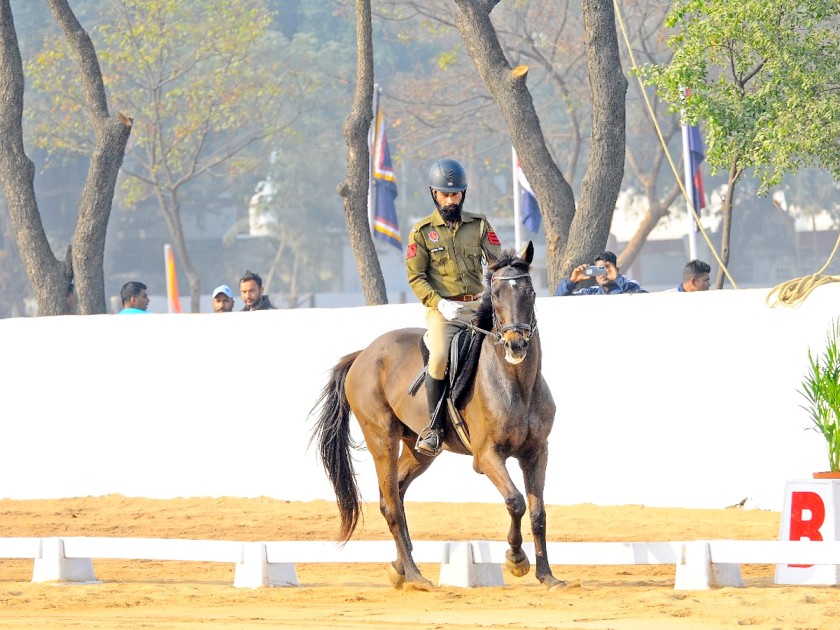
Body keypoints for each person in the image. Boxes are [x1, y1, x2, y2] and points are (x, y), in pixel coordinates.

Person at [406, 158, 502, 456]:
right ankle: (434, 427)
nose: (451, 199)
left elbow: (497, 263)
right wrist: (439, 304)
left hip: (477, 307)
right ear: (434, 194)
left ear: (464, 194)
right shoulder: (421, 232)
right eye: (445, 194)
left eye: (456, 194)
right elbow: (415, 276)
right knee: (438, 359)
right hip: (444, 313)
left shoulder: (480, 225)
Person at [554, 251, 647, 296]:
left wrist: (617, 278)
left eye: (606, 269)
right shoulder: (591, 293)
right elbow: (560, 299)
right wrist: (571, 282)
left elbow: (646, 299)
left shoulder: (629, 286)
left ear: (616, 270)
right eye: (599, 269)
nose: (603, 274)